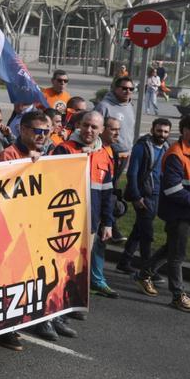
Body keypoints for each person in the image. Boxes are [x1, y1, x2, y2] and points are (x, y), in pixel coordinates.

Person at [136, 114, 190, 313]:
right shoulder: (176, 154)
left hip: (188, 211)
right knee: (177, 256)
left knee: (171, 248)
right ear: (184, 130)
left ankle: (144, 274)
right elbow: (172, 189)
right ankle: (178, 295)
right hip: (180, 213)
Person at [52, 111, 117, 298]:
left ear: (102, 130)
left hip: (91, 221)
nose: (89, 130)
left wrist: (108, 223)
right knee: (63, 263)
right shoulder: (64, 149)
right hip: (65, 221)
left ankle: (73, 300)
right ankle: (59, 302)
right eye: (86, 125)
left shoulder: (104, 155)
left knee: (81, 264)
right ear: (79, 125)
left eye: (94, 127)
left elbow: (107, 194)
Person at [119, 118, 171, 274]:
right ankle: (148, 270)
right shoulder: (142, 147)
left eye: (166, 132)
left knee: (139, 229)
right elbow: (132, 173)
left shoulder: (167, 148)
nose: (162, 134)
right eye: (159, 131)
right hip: (143, 195)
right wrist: (136, 196)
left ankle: (124, 261)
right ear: (152, 130)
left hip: (157, 195)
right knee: (147, 234)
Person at [93, 76, 136, 155]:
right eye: (124, 88)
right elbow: (94, 131)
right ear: (116, 89)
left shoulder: (129, 106)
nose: (128, 91)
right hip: (109, 153)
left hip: (127, 153)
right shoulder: (104, 106)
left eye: (131, 89)